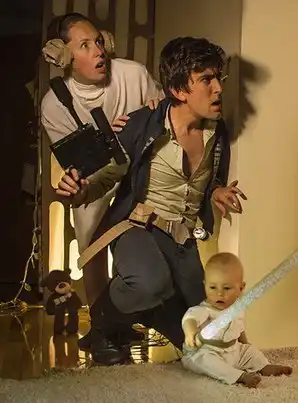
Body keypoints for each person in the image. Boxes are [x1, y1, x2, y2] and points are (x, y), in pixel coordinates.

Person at [54, 36, 245, 366]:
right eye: (206, 80)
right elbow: (108, 176)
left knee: (200, 337)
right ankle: (103, 328)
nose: (218, 89)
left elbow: (209, 177)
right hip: (137, 226)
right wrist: (81, 190)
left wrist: (216, 190)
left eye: (219, 78)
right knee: (150, 283)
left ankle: (145, 312)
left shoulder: (217, 133)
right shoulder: (143, 123)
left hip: (181, 238)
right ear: (179, 90)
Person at [40, 12, 164, 350]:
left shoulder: (133, 74)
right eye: (84, 45)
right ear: (62, 56)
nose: (98, 51)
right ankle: (101, 327)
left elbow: (163, 117)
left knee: (141, 249)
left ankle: (125, 319)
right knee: (90, 239)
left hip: (140, 174)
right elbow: (79, 167)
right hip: (96, 178)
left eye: (98, 41)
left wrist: (153, 109)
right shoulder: (54, 104)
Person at [181, 252, 292, 388]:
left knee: (250, 352)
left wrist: (245, 343)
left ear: (241, 288)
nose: (219, 293)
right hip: (208, 350)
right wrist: (190, 332)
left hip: (233, 350)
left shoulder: (239, 308)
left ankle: (264, 366)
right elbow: (190, 318)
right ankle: (240, 376)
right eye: (212, 287)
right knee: (206, 361)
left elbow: (239, 328)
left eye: (227, 288)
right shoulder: (206, 309)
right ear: (205, 285)